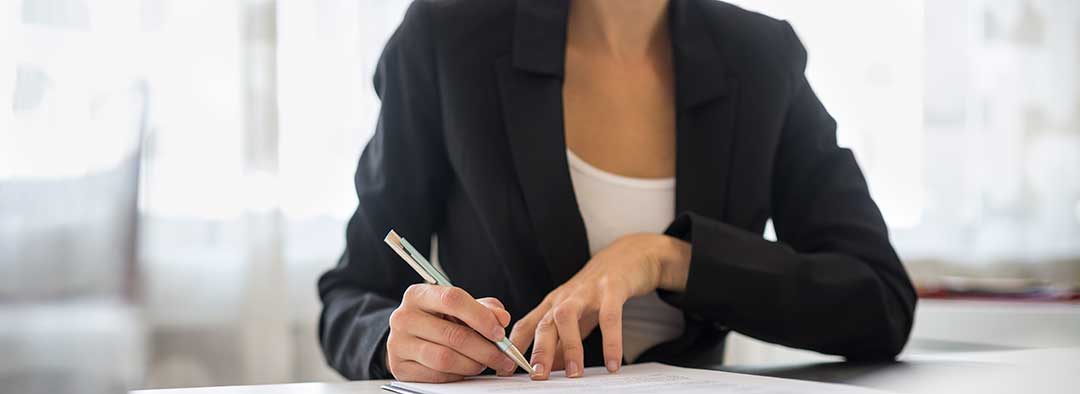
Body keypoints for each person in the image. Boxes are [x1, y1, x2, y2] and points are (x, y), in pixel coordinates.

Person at [318, 0, 917, 383]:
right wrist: (394, 343)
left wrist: (664, 256)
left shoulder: (760, 57)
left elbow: (880, 303)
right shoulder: (446, 38)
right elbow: (352, 294)